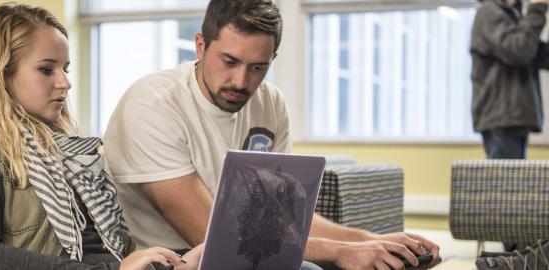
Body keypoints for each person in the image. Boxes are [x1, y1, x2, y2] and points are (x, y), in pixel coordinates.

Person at [103, 0, 441, 269]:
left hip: (238, 253)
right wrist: (341, 252)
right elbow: (212, 235)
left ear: (272, 59)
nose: (240, 81)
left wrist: (371, 240)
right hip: (170, 259)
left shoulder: (270, 103)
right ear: (200, 45)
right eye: (229, 61)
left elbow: (280, 220)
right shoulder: (151, 105)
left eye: (258, 67)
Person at [0, 4, 201, 270]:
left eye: (65, 68)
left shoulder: (62, 152)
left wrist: (175, 259)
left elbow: (104, 252)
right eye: (46, 69)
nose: (65, 82)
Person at [471, 0, 549, 160]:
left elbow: (537, 53)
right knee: (505, 183)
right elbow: (519, 50)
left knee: (513, 182)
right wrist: (537, 10)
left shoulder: (514, 15)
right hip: (501, 119)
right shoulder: (489, 12)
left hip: (514, 118)